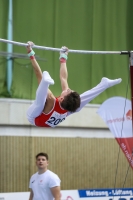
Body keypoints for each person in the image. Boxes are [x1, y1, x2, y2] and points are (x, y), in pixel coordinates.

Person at [26, 41, 122, 128]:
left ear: (61, 98)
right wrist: (63, 57)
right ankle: (104, 84)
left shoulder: (51, 101)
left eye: (68, 91)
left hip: (34, 118)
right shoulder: (68, 105)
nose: (68, 89)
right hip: (60, 112)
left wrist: (30, 53)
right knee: (77, 106)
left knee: (41, 102)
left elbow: (37, 74)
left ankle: (45, 82)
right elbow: (63, 78)